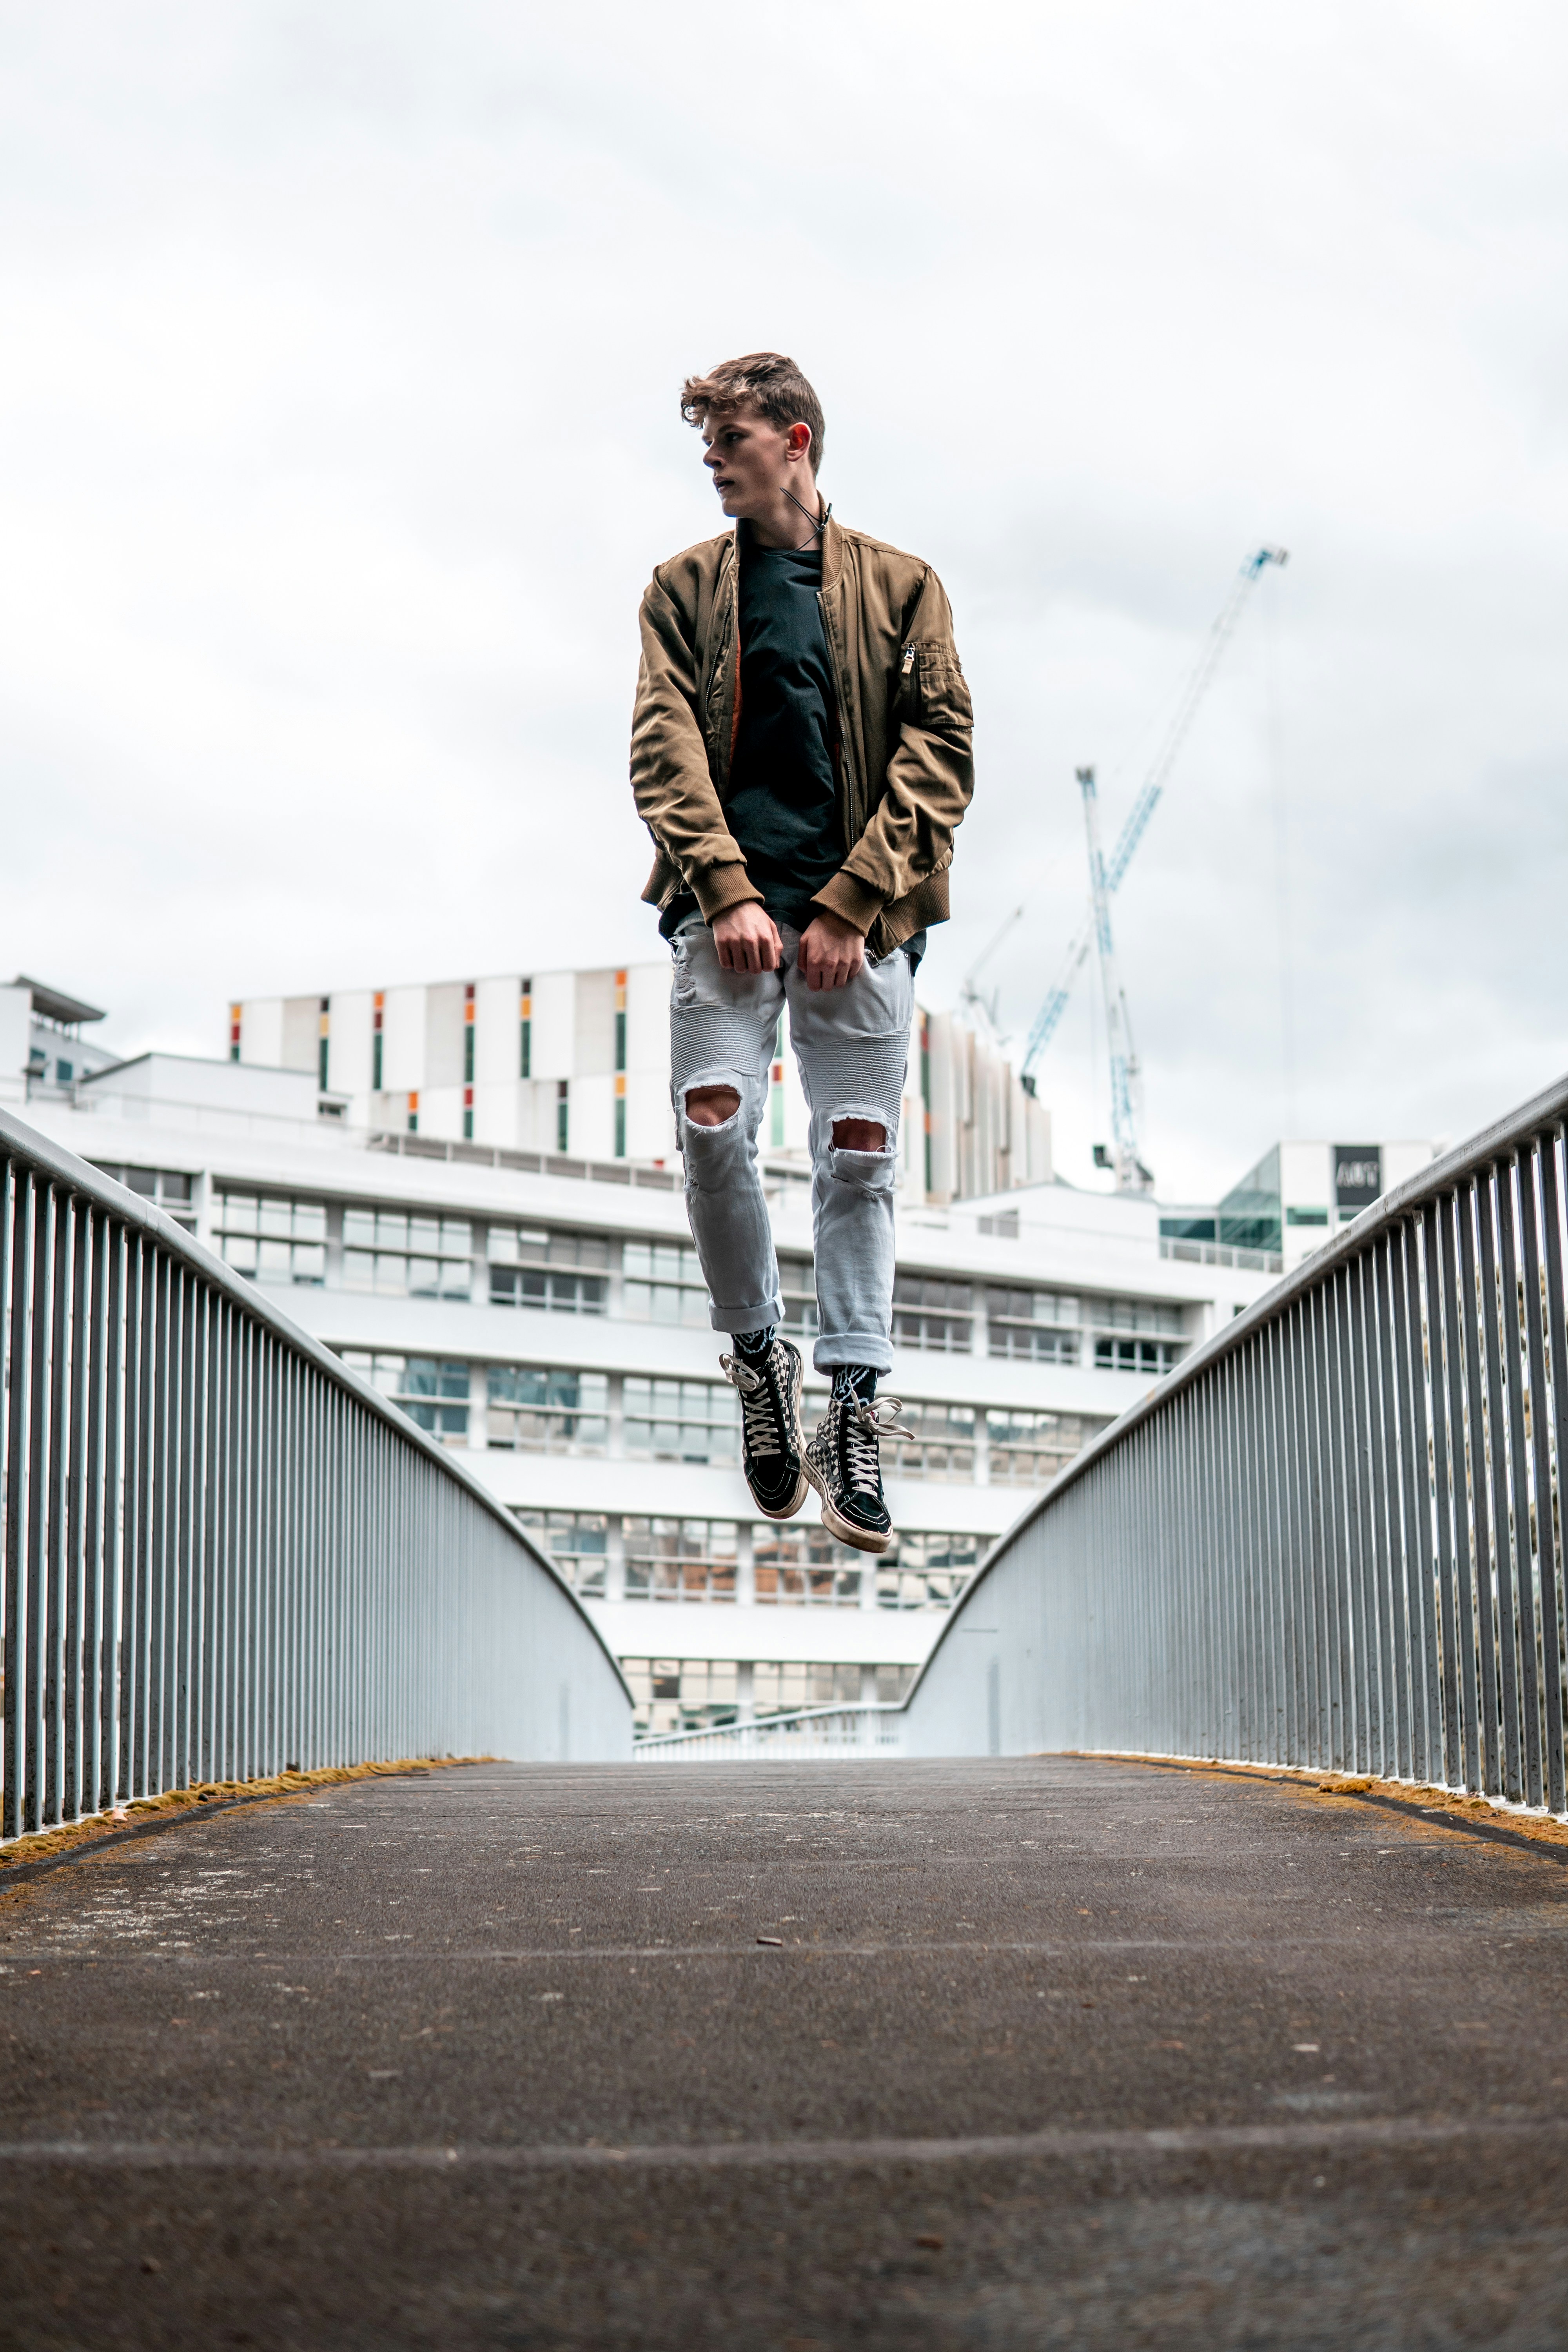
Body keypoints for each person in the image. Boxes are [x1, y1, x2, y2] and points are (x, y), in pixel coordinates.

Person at [629, 351, 973, 1553]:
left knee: (859, 1155)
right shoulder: (682, 590)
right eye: (708, 443)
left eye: (731, 438)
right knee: (715, 1119)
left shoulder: (904, 586)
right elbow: (661, 750)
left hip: (860, 922)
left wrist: (851, 902)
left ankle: (856, 1407)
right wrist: (727, 888)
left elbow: (943, 752)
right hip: (725, 913)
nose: (714, 459)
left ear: (796, 441)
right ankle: (759, 1361)